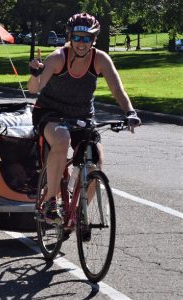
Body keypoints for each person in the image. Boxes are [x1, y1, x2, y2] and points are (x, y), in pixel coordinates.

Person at [27, 13, 141, 225]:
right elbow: (34, 89)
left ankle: (80, 213)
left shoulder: (100, 59)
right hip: (50, 112)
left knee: (95, 161)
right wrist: (35, 73)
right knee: (61, 139)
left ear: (94, 39)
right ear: (70, 36)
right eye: (77, 37)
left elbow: (117, 88)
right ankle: (51, 202)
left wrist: (130, 112)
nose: (81, 43)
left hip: (82, 115)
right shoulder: (57, 58)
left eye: (87, 38)